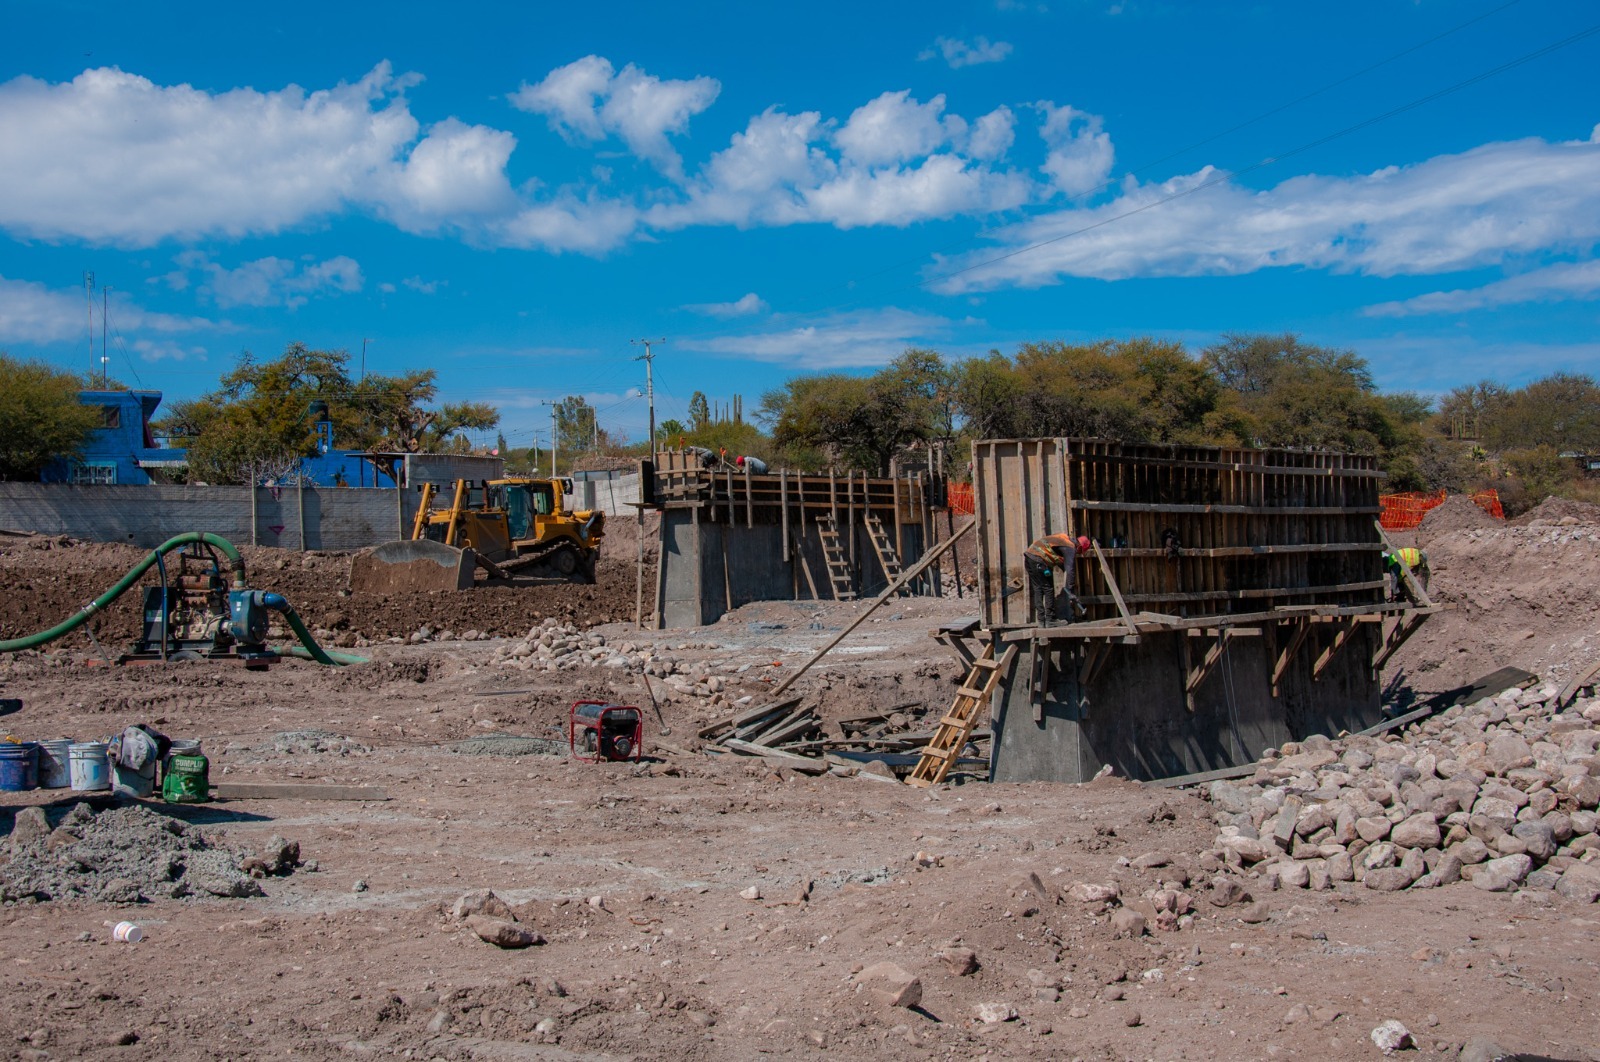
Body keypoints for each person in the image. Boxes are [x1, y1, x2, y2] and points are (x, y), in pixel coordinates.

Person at [1024, 533, 1092, 625]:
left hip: (1029, 557)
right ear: (1079, 547)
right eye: (1079, 552)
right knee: (1048, 589)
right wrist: (1070, 590)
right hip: (1039, 560)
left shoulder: (1063, 538)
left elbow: (1062, 565)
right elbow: (1070, 570)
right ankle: (1050, 619)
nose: (1077, 553)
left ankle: (1041, 620)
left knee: (1038, 589)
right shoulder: (1070, 547)